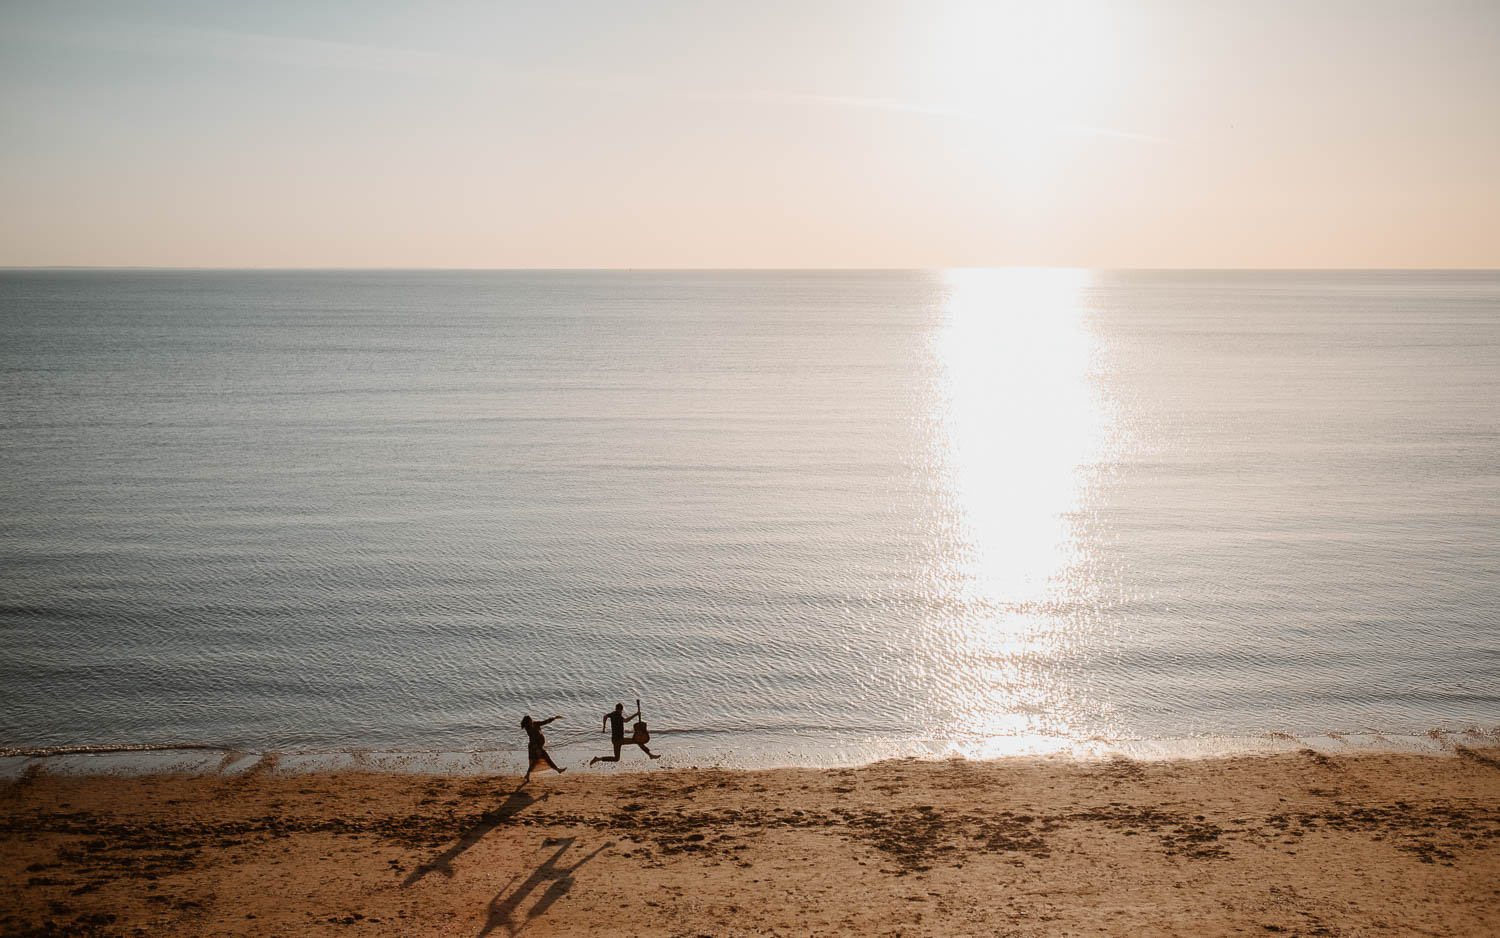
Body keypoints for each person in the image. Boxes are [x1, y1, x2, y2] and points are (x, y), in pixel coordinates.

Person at [589, 701, 659, 765]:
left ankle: (598, 759)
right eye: (621, 711)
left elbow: (605, 716)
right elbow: (626, 721)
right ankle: (650, 755)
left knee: (616, 758)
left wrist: (604, 726)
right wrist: (636, 714)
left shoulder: (612, 714)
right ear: (621, 710)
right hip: (620, 739)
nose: (621, 712)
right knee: (637, 741)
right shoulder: (618, 715)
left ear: (616, 708)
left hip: (615, 740)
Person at [520, 714, 565, 783]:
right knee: (545, 757)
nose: (531, 721)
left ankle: (527, 775)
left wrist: (554, 718)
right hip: (535, 746)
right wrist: (537, 748)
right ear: (527, 722)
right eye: (529, 720)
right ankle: (558, 770)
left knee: (535, 761)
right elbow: (533, 739)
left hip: (537, 746)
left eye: (530, 720)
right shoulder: (529, 728)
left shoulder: (535, 724)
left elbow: (545, 722)